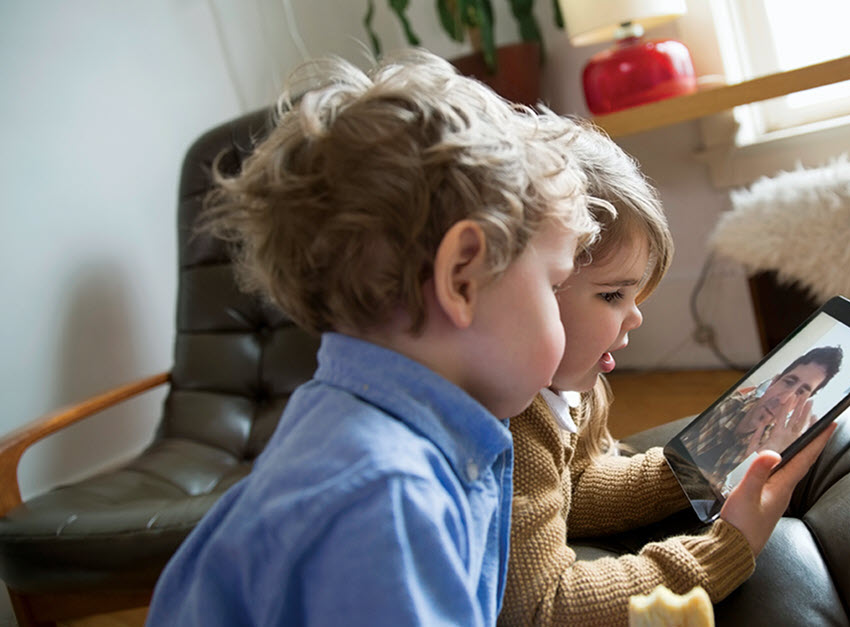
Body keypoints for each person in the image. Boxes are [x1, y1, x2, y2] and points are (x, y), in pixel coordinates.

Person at [146, 50, 602, 626]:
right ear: (462, 276)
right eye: (554, 285)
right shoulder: (388, 497)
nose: (561, 318)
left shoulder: (341, 421)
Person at [499, 122, 838, 626]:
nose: (636, 316)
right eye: (613, 295)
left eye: (638, 294)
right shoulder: (513, 421)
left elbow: (572, 488)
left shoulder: (570, 386)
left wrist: (706, 465)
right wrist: (730, 545)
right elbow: (546, 607)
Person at [682, 346, 844, 491]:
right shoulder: (731, 403)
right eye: (788, 382)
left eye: (801, 393)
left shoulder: (769, 451)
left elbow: (718, 505)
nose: (783, 399)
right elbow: (681, 453)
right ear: (774, 382)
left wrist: (754, 468)